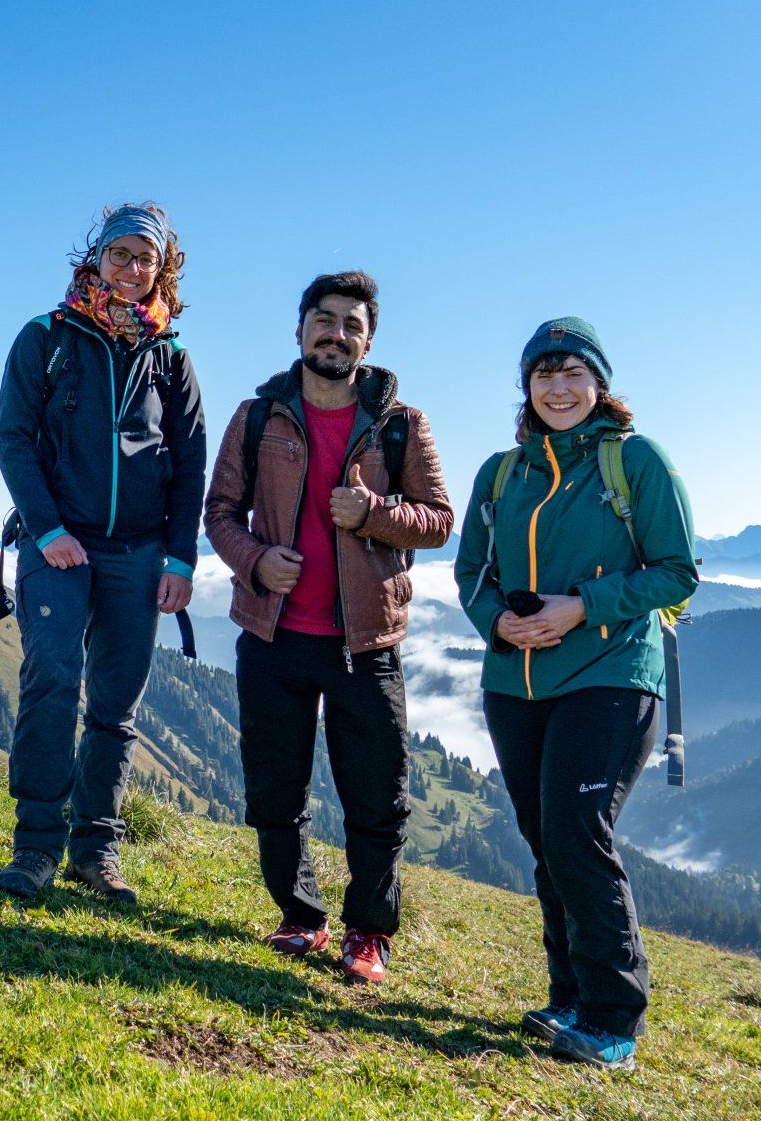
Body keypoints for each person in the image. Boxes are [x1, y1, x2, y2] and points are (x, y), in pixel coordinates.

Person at [453, 317, 697, 1070]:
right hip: (516, 680)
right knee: (545, 838)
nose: (558, 388)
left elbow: (677, 571)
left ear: (600, 384)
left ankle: (613, 1018)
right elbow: (471, 576)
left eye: (573, 374)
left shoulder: (635, 460)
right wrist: (499, 623)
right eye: (543, 375)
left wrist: (580, 608)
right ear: (525, 388)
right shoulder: (502, 473)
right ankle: (567, 1000)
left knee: (576, 831)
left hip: (613, 674)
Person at [203, 271, 453, 984]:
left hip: (365, 642)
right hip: (273, 634)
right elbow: (219, 513)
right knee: (275, 790)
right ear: (300, 328)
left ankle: (368, 932)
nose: (335, 332)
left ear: (367, 342)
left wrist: (372, 512)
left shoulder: (401, 423)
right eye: (324, 318)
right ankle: (301, 916)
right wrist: (254, 560)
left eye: (351, 323)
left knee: (377, 796)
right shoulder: (258, 417)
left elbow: (439, 520)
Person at [0, 203, 206, 904]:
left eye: (146, 259)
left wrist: (180, 558)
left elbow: (192, 463)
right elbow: (13, 439)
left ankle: (97, 850)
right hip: (58, 545)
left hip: (140, 554)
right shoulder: (47, 336)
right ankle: (35, 847)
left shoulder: (170, 355)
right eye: (121, 254)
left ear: (161, 269)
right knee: (51, 682)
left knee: (116, 706)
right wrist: (47, 529)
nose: (132, 269)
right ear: (97, 258)